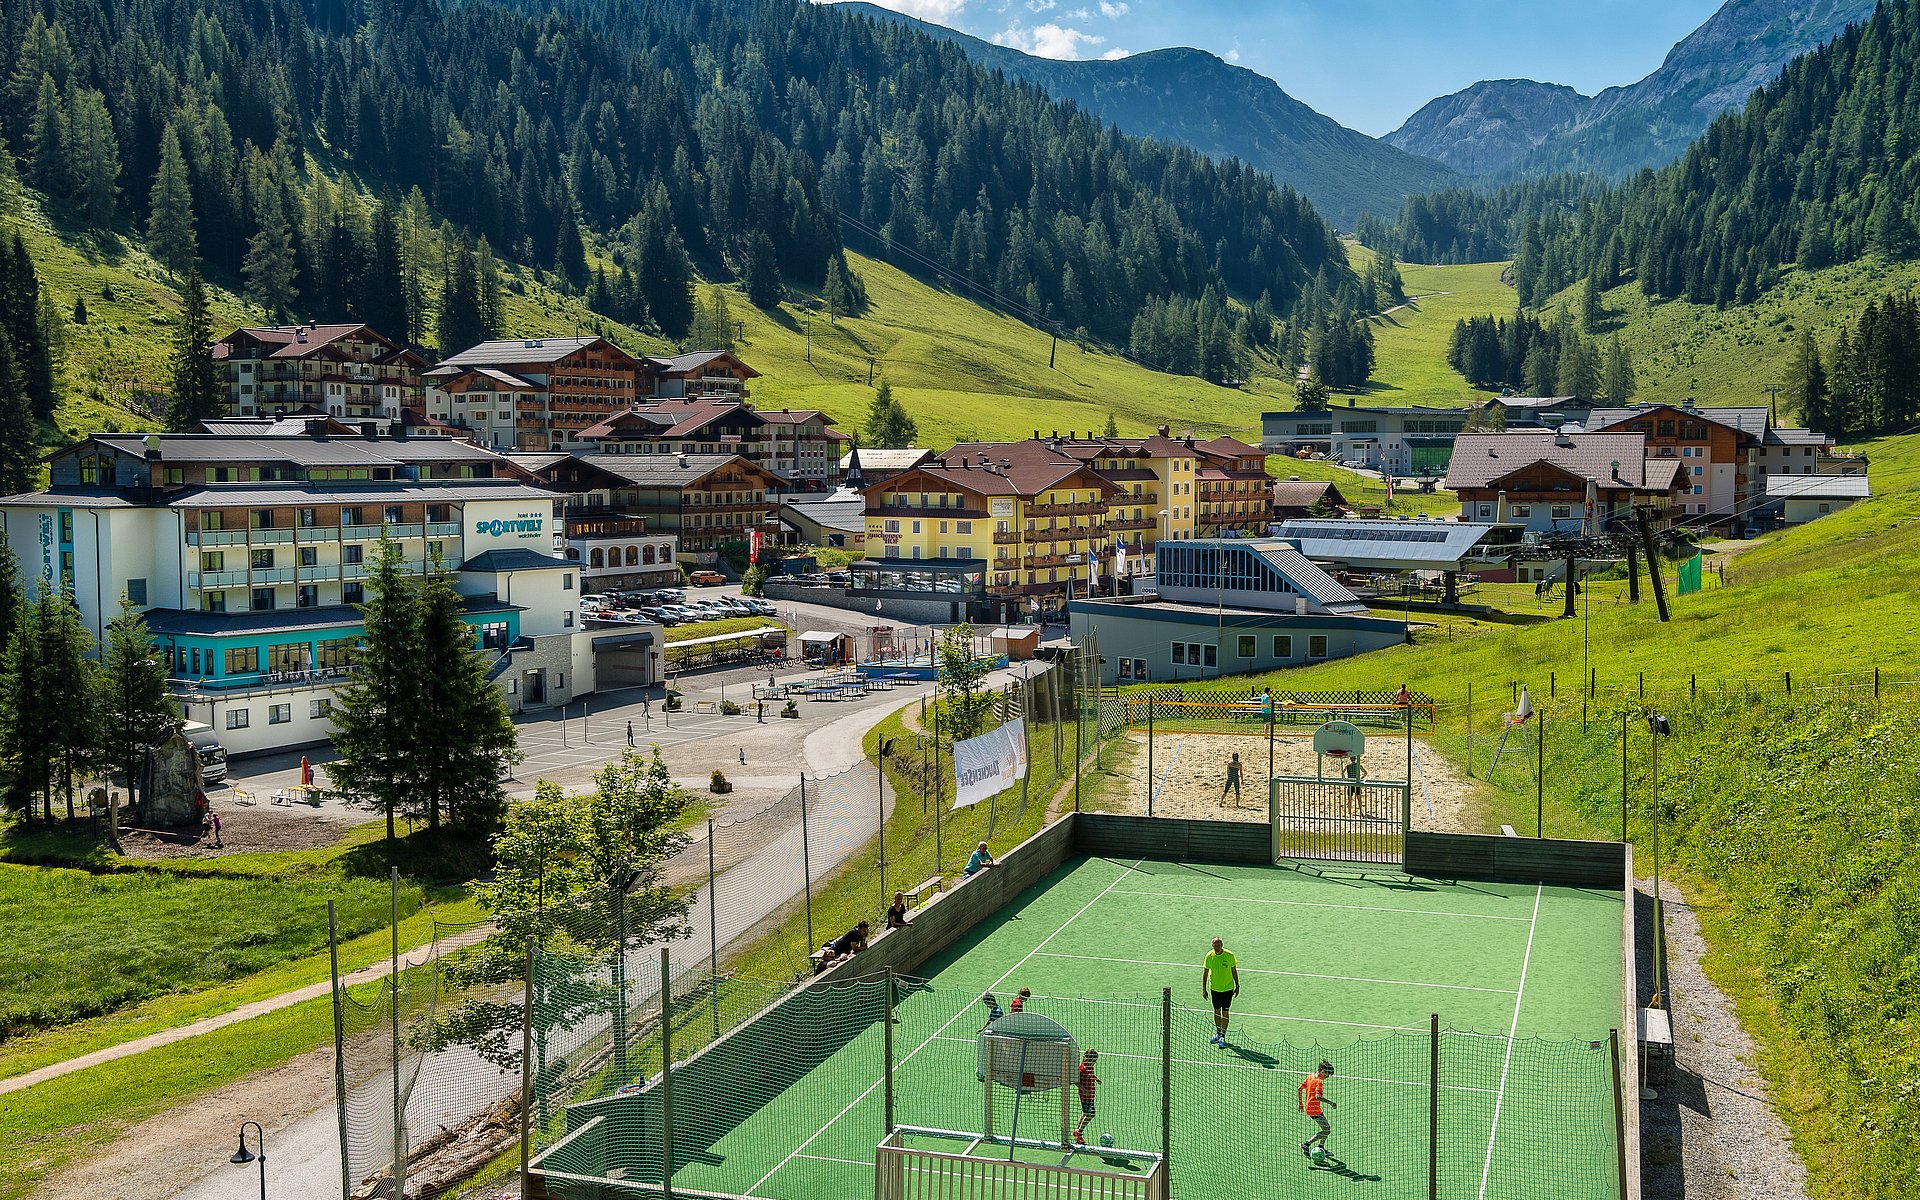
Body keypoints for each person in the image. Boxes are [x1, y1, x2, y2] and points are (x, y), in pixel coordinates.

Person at [1201, 936, 1240, 1047]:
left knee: (1225, 1012)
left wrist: (1237, 985)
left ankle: (1223, 1035)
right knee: (1217, 1011)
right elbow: (1205, 973)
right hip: (1215, 989)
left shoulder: (1229, 955)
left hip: (1228, 989)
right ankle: (1218, 1033)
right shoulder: (1209, 956)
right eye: (1215, 945)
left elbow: (1234, 970)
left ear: (1222, 945)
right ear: (1212, 945)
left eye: (1218, 945)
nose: (1217, 947)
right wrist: (1203, 989)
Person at [1298, 1061, 1337, 1159]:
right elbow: (1318, 1097)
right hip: (1314, 1109)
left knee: (1325, 1128)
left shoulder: (1310, 1077)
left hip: (1309, 1108)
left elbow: (1300, 1088)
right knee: (1327, 1129)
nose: (1328, 1077)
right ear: (1323, 1072)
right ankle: (1306, 1144)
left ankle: (1321, 1147)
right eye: (1328, 1074)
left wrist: (1301, 1103)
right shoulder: (1319, 1082)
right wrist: (1331, 1103)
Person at [1072, 1050, 1101, 1145]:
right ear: (1086, 1058)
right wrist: (1083, 1089)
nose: (1094, 1063)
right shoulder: (1082, 1069)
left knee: (1085, 1113)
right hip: (1085, 1096)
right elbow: (1076, 1081)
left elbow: (1090, 1075)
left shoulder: (1089, 1067)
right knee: (1091, 1114)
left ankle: (1077, 1131)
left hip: (1091, 1095)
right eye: (1093, 1061)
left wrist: (1096, 1079)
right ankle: (1079, 1131)